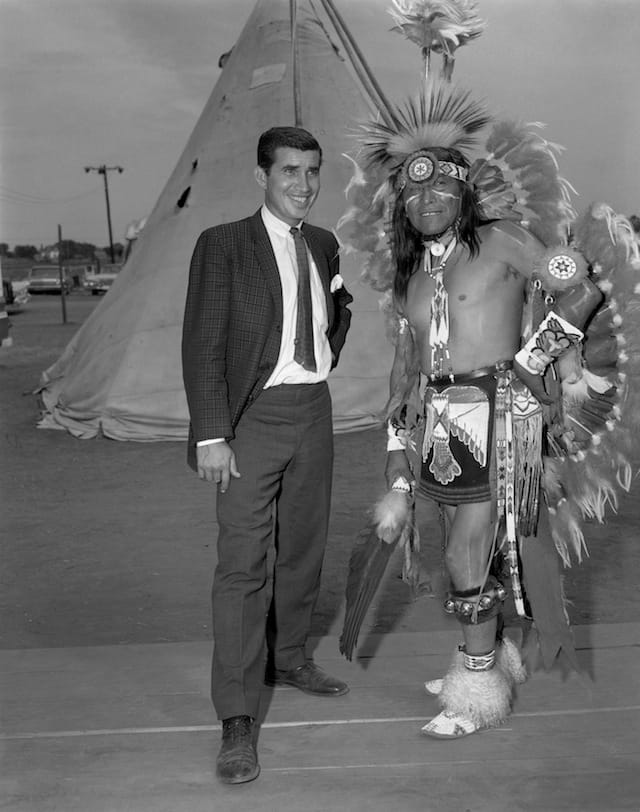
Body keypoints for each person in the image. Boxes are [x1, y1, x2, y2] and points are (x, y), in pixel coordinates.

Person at [182, 126, 353, 784]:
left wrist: (328, 348)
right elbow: (201, 345)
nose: (303, 185)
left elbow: (337, 308)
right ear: (262, 175)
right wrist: (211, 434)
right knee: (243, 566)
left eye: (312, 171)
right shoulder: (222, 245)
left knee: (305, 548)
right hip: (252, 417)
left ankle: (290, 659)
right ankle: (237, 716)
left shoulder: (325, 242)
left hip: (314, 410)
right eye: (289, 171)